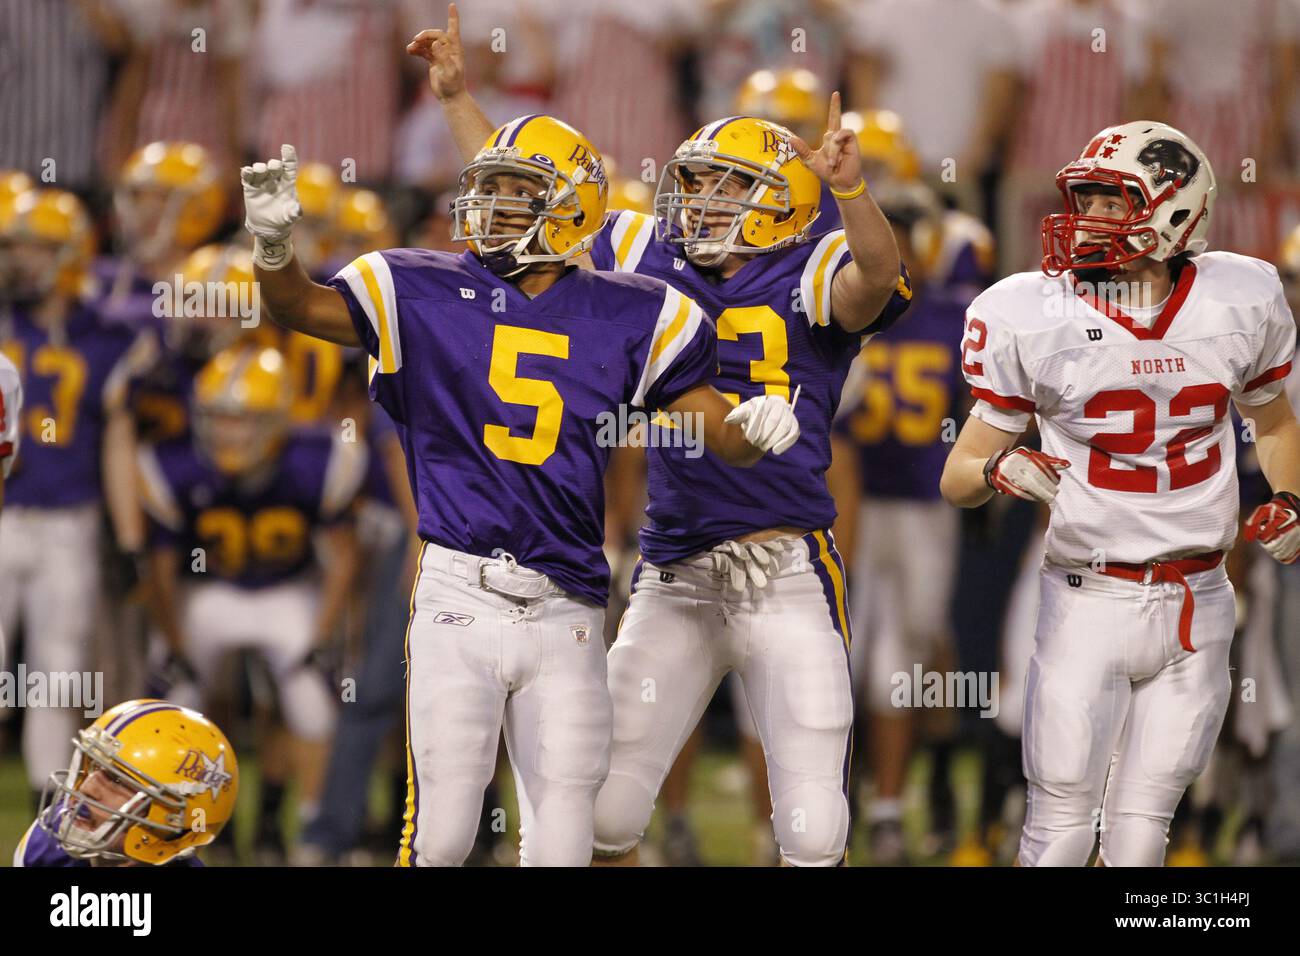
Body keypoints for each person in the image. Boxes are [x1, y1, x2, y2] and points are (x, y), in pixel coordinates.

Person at [415, 4, 910, 867]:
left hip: (785, 568)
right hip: (675, 565)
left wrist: (851, 192)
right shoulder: (646, 251)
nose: (702, 201)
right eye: (698, 181)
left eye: (727, 186)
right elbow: (531, 195)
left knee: (814, 826)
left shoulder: (816, 262)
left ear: (775, 203)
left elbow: (879, 277)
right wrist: (459, 99)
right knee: (604, 812)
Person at [239, 110, 800, 866]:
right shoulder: (416, 286)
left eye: (516, 191)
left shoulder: (637, 312)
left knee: (562, 843)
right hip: (456, 592)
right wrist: (273, 246)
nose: (491, 206)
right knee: (438, 837)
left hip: (566, 602)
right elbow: (297, 305)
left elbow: (717, 434)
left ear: (572, 208)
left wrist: (755, 425)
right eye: (489, 188)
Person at [939, 121, 1300, 866]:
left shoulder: (1243, 295)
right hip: (1086, 595)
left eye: (1112, 202)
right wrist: (999, 472)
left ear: (1177, 214)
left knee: (1142, 835)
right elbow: (960, 473)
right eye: (1087, 199)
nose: (1089, 219)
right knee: (1061, 826)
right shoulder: (1028, 310)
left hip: (1200, 595)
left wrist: (1293, 499)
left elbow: (1274, 421)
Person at [137, 344, 365, 862]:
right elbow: (162, 571)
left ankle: (312, 835)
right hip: (208, 592)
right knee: (175, 708)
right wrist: (175, 647)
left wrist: (322, 638)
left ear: (277, 420)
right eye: (218, 420)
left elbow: (343, 559)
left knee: (311, 703)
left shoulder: (320, 459)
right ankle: (179, 832)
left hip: (287, 590)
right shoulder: (174, 465)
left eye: (243, 421)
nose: (229, 434)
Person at [16, 698, 238, 867]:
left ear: (174, 819)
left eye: (116, 780)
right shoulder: (48, 847)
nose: (87, 788)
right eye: (94, 767)